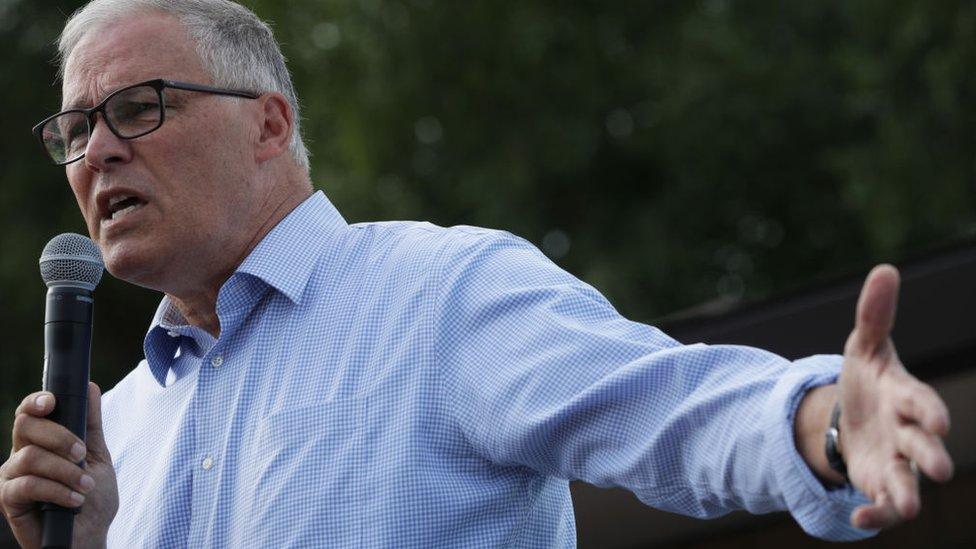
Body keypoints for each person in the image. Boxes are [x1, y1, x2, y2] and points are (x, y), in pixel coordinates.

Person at [0, 0, 954, 547]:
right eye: (76, 131)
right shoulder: (112, 430)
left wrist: (823, 419)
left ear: (269, 124)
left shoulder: (438, 294)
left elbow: (667, 405)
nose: (97, 154)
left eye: (138, 106)